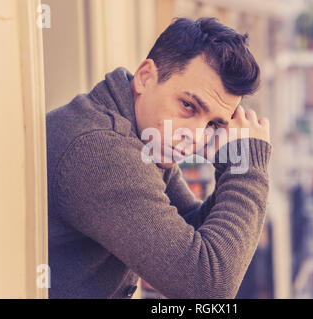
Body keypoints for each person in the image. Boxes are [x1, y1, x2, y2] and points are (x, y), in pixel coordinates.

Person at [46, 17, 272, 299]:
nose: (196, 136)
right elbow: (207, 287)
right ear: (145, 77)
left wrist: (234, 162)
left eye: (214, 124)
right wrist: (247, 168)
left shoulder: (146, 140)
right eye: (188, 106)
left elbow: (190, 229)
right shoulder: (100, 150)